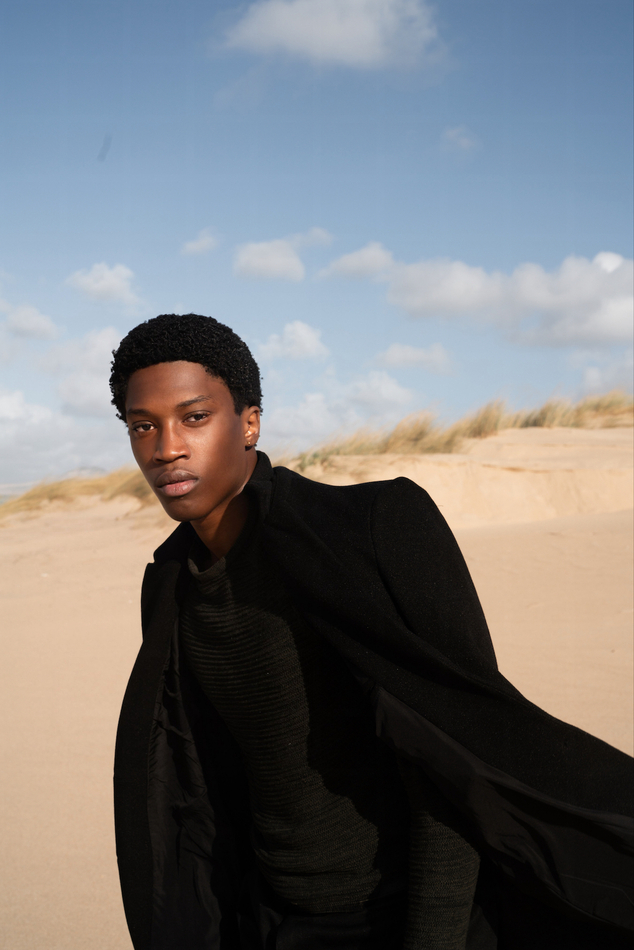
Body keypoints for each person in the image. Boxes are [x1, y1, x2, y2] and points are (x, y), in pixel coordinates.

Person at [110, 313, 632, 950]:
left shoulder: (375, 528)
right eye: (143, 426)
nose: (166, 448)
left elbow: (453, 754)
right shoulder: (172, 587)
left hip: (412, 918)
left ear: (249, 422)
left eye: (194, 417)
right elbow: (204, 783)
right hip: (273, 920)